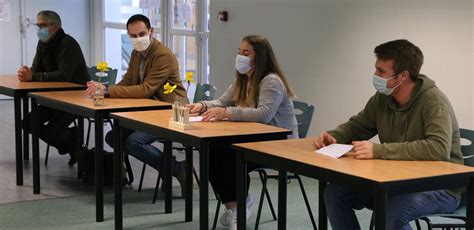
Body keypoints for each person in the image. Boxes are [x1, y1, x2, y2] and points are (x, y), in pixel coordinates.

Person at [313, 39, 464, 230]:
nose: (375, 75)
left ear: (403, 76)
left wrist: (379, 151)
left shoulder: (434, 103)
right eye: (376, 69)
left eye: (381, 71)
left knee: (390, 214)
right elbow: (359, 125)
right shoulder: (384, 98)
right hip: (398, 180)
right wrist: (334, 136)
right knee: (335, 193)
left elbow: (438, 148)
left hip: (441, 187)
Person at [188, 35, 298, 229]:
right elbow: (222, 101)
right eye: (239, 52)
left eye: (246, 53)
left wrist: (227, 113)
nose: (240, 56)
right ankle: (235, 207)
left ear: (260, 57)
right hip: (251, 139)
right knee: (211, 151)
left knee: (230, 157)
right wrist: (202, 105)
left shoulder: (271, 81)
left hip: (278, 145)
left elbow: (264, 114)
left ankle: (239, 205)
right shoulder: (243, 78)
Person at [86, 14, 188, 194]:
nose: (137, 39)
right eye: (133, 36)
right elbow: (128, 81)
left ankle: (176, 169)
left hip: (173, 112)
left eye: (141, 34)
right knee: (113, 137)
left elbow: (146, 89)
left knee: (134, 142)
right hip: (149, 111)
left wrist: (108, 91)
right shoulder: (136, 53)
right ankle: (170, 168)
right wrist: (104, 88)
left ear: (151, 31)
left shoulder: (162, 55)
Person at [17, 10, 90, 166]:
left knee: (52, 130)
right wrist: (27, 72)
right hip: (54, 96)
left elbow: (64, 76)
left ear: (55, 26)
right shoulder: (43, 43)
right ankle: (72, 143)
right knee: (27, 123)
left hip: (75, 97)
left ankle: (72, 144)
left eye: (42, 25)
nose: (39, 29)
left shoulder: (68, 43)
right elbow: (36, 69)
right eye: (37, 25)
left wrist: (33, 76)